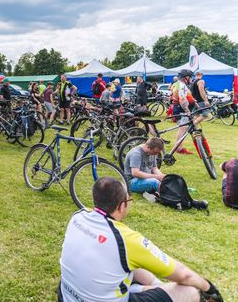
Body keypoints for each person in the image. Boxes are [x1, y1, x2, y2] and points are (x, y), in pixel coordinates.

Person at [58, 177, 223, 302]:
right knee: (190, 292)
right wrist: (209, 288)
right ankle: (154, 289)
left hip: (66, 295)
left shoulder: (78, 216)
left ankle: (153, 287)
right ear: (122, 205)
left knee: (127, 261)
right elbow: (184, 276)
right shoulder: (126, 239)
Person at [170, 70, 195, 155]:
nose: (191, 79)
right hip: (181, 109)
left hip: (178, 108)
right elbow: (182, 99)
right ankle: (179, 148)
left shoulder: (176, 84)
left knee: (183, 128)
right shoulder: (182, 85)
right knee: (182, 129)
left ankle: (179, 147)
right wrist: (187, 111)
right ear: (186, 77)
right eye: (190, 77)